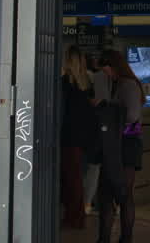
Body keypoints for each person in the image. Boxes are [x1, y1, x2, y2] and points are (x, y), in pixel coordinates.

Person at [94, 49, 145, 243]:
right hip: (115, 144)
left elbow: (132, 116)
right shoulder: (118, 84)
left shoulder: (129, 85)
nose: (107, 75)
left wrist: (105, 106)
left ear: (115, 67)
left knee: (123, 194)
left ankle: (125, 238)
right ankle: (105, 238)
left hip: (126, 145)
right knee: (107, 194)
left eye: (108, 71)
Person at [60, 46, 96, 229]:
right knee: (77, 179)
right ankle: (77, 216)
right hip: (84, 140)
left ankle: (73, 218)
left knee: (70, 180)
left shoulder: (64, 84)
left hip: (68, 138)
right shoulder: (86, 85)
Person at [84, 54, 113, 213]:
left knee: (94, 167)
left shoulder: (95, 78)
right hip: (110, 128)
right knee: (105, 168)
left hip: (96, 128)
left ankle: (88, 203)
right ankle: (106, 203)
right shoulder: (116, 79)